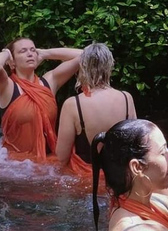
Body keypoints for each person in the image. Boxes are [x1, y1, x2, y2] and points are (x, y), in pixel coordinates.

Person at [0, 38, 82, 161]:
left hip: (48, 163)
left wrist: (45, 53)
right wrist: (7, 53)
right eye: (23, 51)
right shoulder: (7, 88)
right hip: (17, 167)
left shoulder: (49, 82)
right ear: (12, 62)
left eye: (32, 50)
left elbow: (86, 55)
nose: (30, 53)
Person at [56, 43, 136, 175]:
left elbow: (61, 158)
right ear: (110, 66)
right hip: (119, 179)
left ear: (82, 67)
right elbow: (134, 144)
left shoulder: (72, 104)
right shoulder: (127, 98)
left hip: (85, 183)